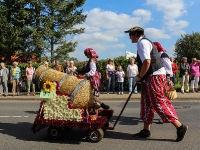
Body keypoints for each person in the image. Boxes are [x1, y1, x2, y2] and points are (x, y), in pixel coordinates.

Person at [124, 26, 187, 142]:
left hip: (154, 76)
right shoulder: (145, 42)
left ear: (136, 34)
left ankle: (180, 127)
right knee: (147, 103)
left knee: (159, 102)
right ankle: (146, 130)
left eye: (130, 35)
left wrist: (139, 76)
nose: (129, 37)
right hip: (151, 76)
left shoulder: (142, 43)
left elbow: (147, 62)